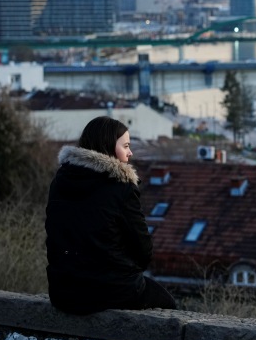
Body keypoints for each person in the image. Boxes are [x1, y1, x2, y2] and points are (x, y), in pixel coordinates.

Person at [45, 116, 176, 314]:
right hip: (109, 289)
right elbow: (143, 249)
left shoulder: (61, 180)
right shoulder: (120, 186)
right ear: (108, 146)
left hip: (63, 291)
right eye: (126, 146)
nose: (130, 153)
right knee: (168, 306)